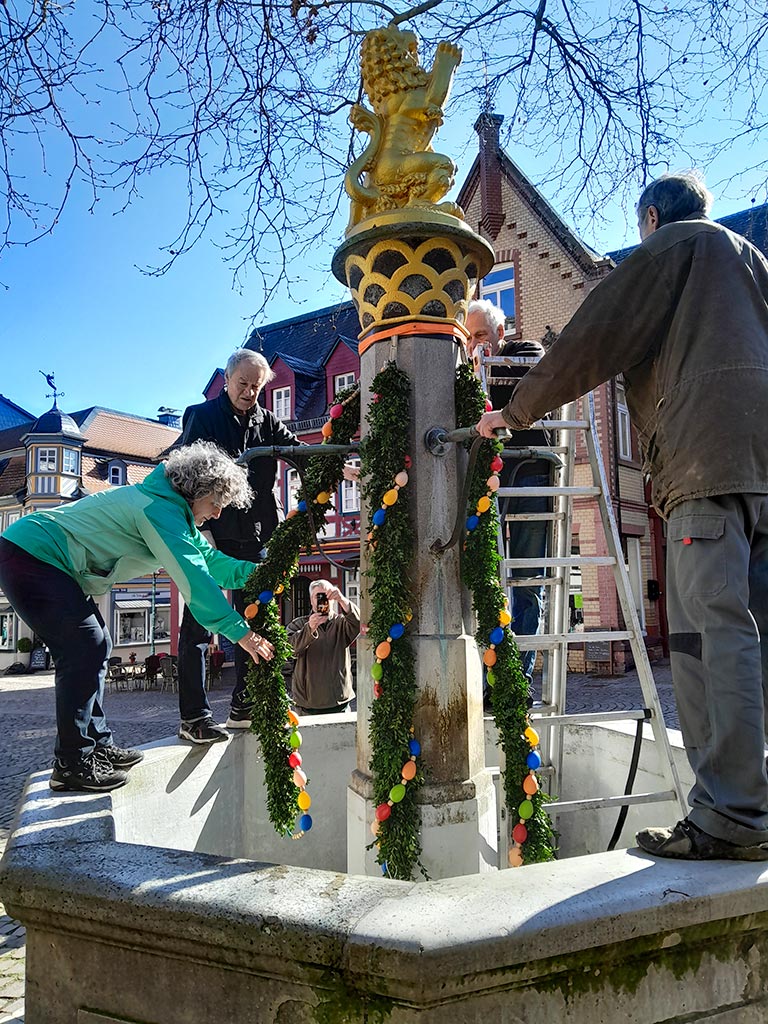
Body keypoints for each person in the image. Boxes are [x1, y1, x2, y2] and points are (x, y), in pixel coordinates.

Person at [475, 171, 768, 862]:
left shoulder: (672, 250)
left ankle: (735, 815)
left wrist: (511, 412)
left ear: (650, 217)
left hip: (705, 466)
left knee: (707, 633)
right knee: (756, 632)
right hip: (762, 470)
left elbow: (589, 341)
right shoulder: (754, 261)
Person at [0, 442, 275, 792]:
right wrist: (241, 633)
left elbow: (214, 565)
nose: (219, 513)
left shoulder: (174, 515)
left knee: (98, 644)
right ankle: (72, 761)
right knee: (86, 645)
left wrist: (262, 574)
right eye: (216, 502)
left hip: (43, 558)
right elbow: (195, 579)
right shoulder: (158, 509)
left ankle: (95, 743)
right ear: (199, 490)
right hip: (33, 552)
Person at [175, 348, 301, 738]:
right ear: (227, 380)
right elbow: (185, 475)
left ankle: (244, 703)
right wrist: (201, 533)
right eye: (243, 384)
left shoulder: (268, 421)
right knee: (200, 622)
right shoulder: (204, 416)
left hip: (257, 536)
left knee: (255, 616)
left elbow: (301, 452)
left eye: (256, 386)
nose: (249, 392)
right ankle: (194, 717)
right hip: (212, 534)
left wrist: (338, 466)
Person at [465, 299, 550, 695]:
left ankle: (520, 679)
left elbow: (526, 385)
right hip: (492, 483)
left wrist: (480, 370)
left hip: (529, 474)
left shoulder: (526, 351)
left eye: (481, 335)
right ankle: (493, 678)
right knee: (492, 579)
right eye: (469, 339)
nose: (476, 345)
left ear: (501, 333)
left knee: (527, 580)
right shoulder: (473, 372)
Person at [287, 580, 360, 715]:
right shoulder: (299, 624)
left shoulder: (341, 624)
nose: (323, 600)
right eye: (318, 596)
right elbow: (289, 648)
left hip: (339, 701)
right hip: (308, 704)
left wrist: (342, 600)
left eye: (326, 595)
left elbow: (359, 623)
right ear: (311, 600)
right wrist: (309, 629)